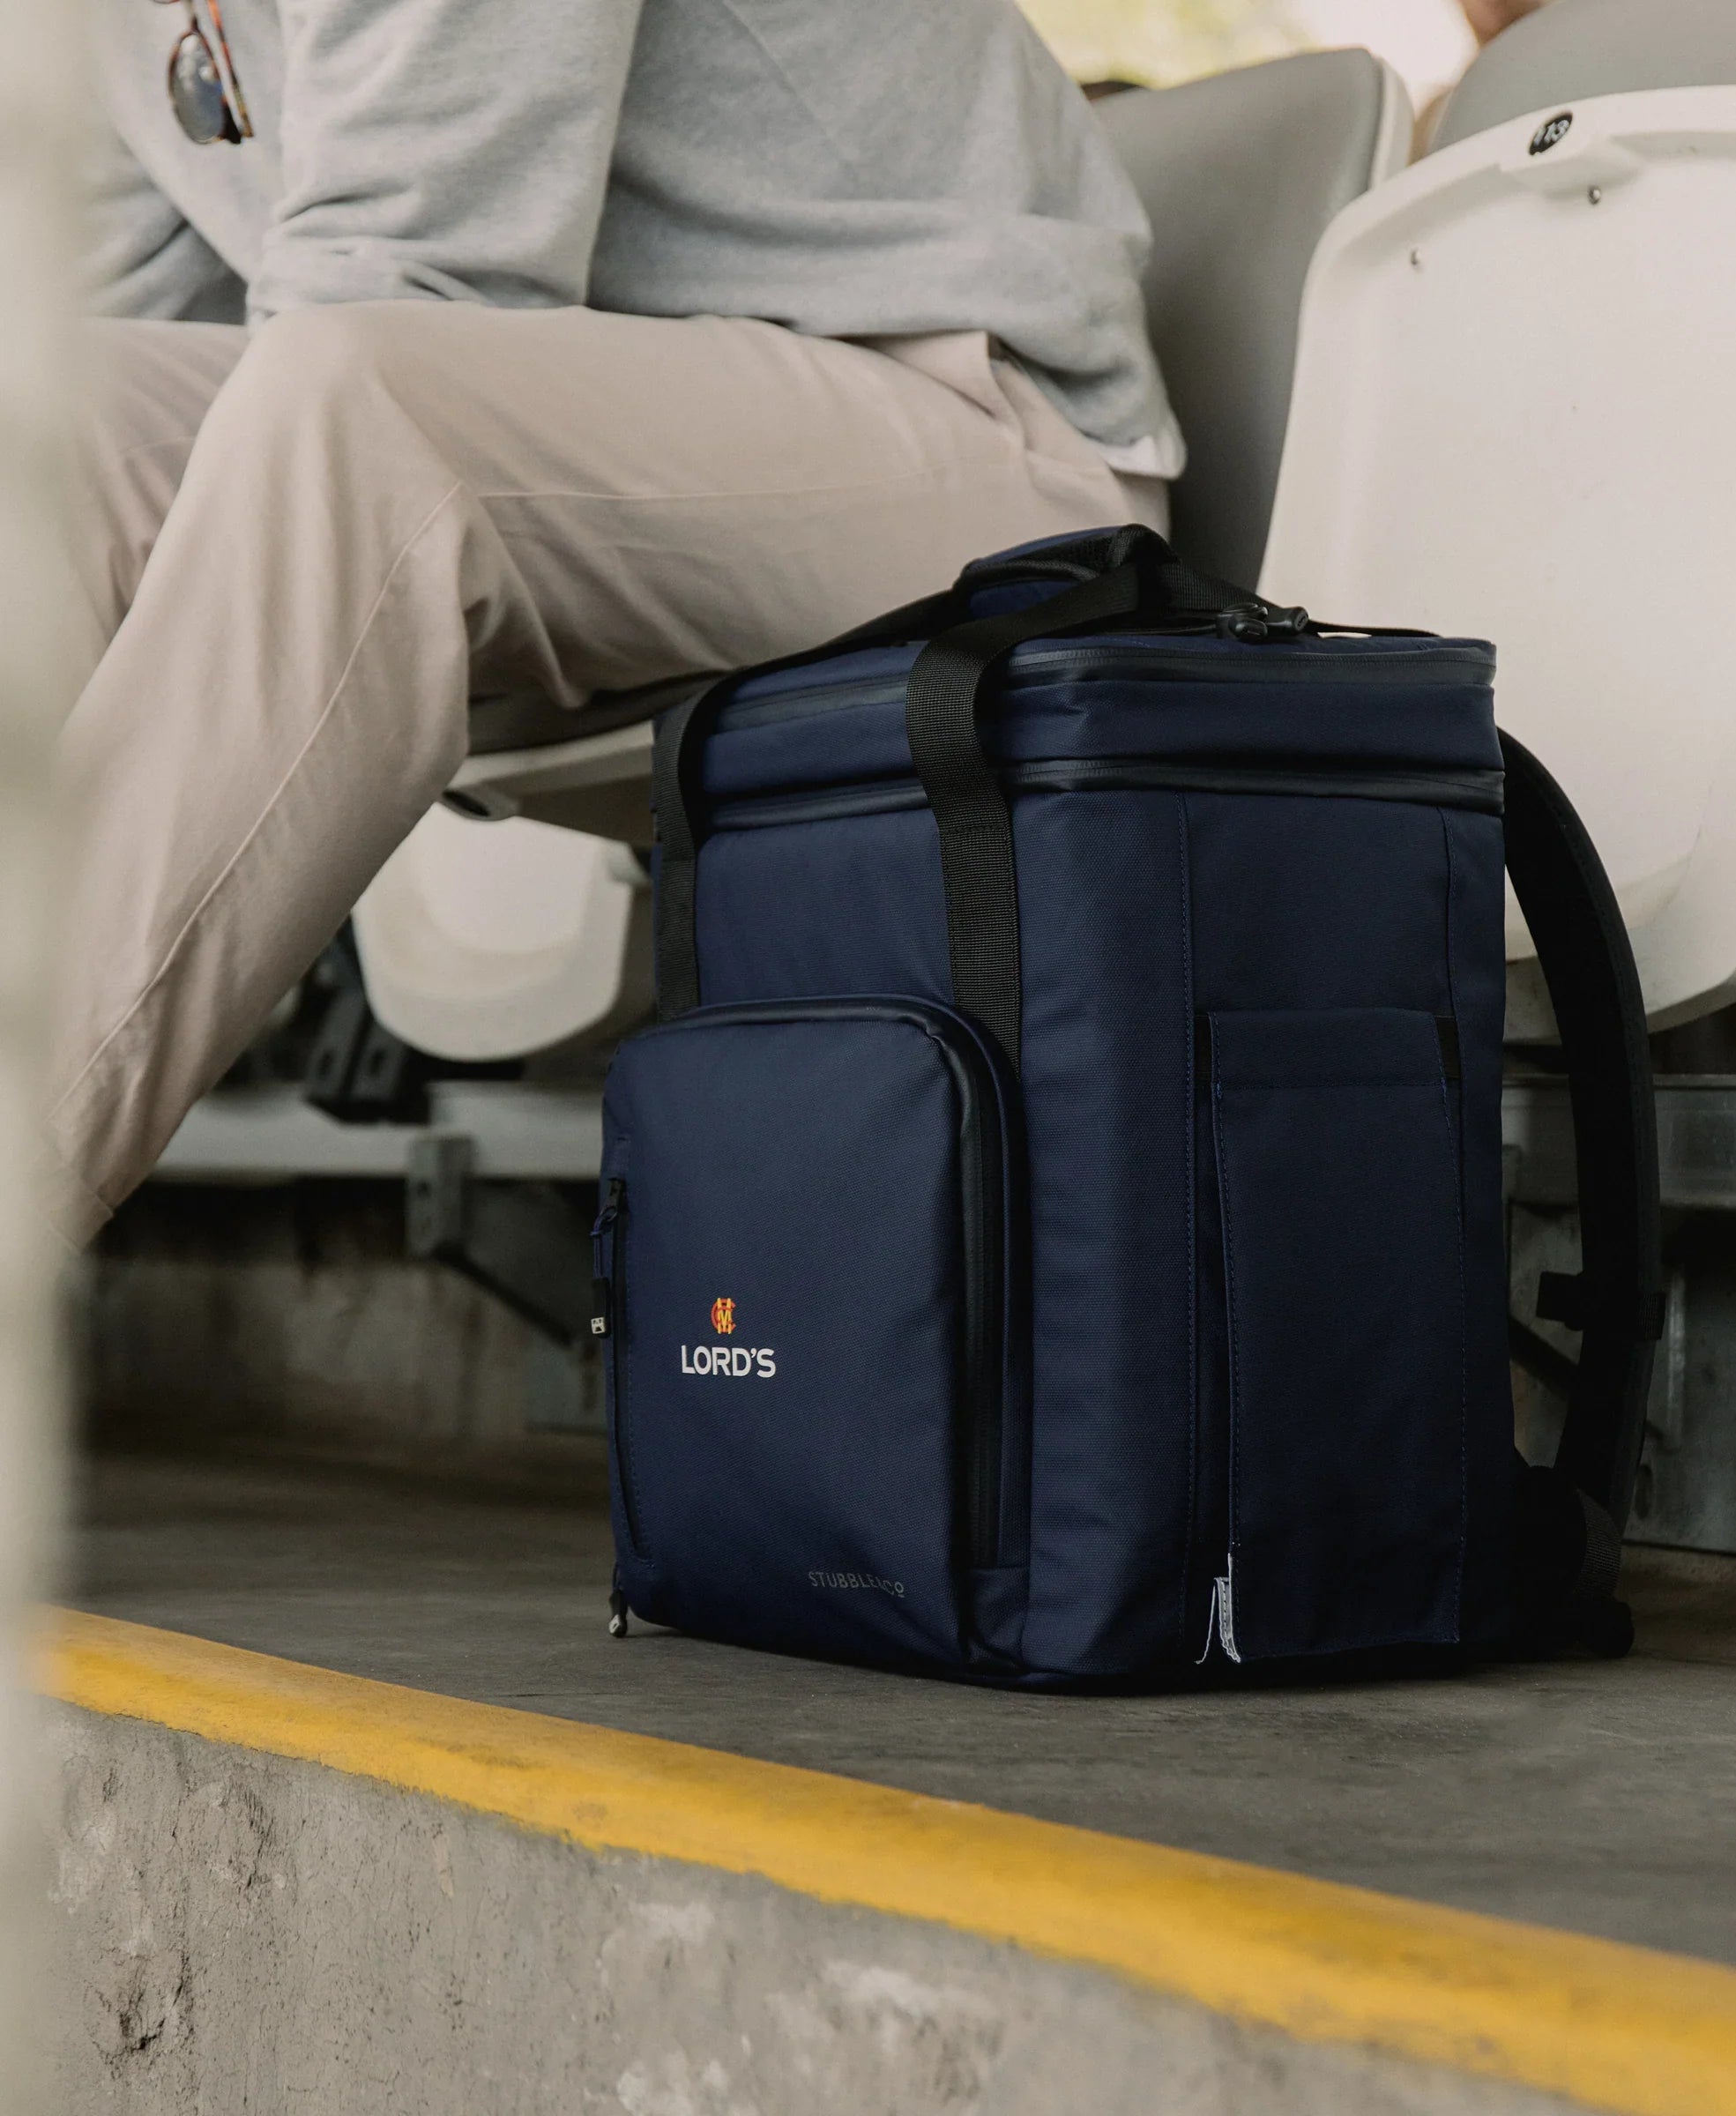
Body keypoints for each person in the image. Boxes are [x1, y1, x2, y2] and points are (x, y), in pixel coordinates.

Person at [52, 0, 1182, 1246]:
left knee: (349, 408)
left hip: (976, 428)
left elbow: (422, 281)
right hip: (601, 445)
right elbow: (127, 350)